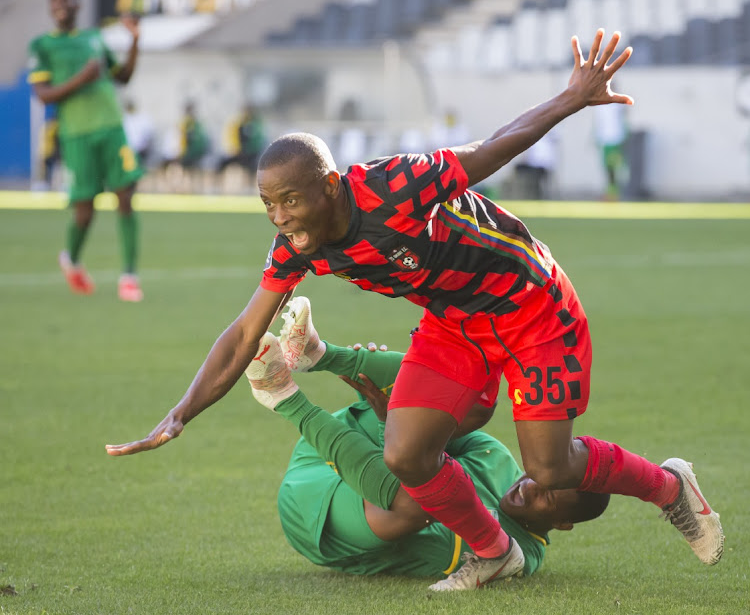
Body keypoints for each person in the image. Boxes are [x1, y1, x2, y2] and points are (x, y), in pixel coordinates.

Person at [105, 30, 724, 591]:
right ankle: (493, 551)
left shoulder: (395, 185)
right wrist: (181, 414)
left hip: (532, 306)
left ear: (330, 185)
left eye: (290, 200)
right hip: (456, 321)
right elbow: (245, 333)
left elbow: (493, 148)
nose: (280, 217)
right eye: (269, 203)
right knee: (405, 453)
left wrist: (572, 97)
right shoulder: (297, 247)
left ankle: (670, 486)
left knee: (549, 466)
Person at [245, 297, 610, 585]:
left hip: (316, 516)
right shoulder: (495, 456)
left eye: (546, 497)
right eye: (538, 479)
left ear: (563, 524)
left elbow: (405, 495)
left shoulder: (519, 553)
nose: (527, 487)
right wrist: (396, 416)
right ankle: (319, 354)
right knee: (471, 402)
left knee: (423, 505)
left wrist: (388, 424)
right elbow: (424, 437)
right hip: (331, 449)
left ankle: (282, 395)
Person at [28, 0, 144, 302]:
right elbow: (43, 95)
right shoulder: (42, 46)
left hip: (111, 127)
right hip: (76, 134)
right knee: (85, 210)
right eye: (54, 1)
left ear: (78, 4)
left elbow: (122, 76)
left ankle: (129, 276)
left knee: (125, 196)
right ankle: (72, 259)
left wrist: (135, 40)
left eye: (65, 0)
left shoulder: (95, 38)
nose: (59, 6)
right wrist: (83, 78)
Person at [593, 100, 629, 200]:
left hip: (616, 140)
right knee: (607, 168)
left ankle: (615, 193)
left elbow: (624, 118)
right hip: (605, 140)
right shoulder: (600, 105)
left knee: (616, 167)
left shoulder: (618, 104)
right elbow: (598, 122)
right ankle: (610, 192)